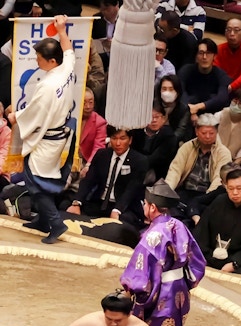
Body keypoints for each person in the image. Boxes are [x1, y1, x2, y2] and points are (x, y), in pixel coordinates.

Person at [121, 180, 206, 326]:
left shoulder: (153, 235)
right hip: (179, 290)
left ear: (153, 207)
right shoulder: (180, 225)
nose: (144, 207)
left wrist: (133, 290)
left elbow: (140, 271)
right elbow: (197, 262)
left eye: (145, 204)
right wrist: (184, 283)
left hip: (162, 292)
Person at [8, 15, 74, 244]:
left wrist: (13, 116)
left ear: (51, 61)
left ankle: (56, 223)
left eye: (39, 58)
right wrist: (62, 30)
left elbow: (32, 114)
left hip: (47, 140)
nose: (36, 61)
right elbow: (69, 50)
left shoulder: (47, 86)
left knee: (36, 183)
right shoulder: (65, 69)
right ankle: (44, 220)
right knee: (39, 180)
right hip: (58, 136)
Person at [68, 126, 148, 229]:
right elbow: (88, 180)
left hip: (124, 206)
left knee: (121, 225)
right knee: (70, 211)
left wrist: (117, 210)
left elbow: (132, 190)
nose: (118, 143)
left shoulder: (140, 160)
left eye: (122, 138)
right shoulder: (102, 154)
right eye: (114, 138)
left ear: (130, 140)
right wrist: (77, 202)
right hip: (100, 202)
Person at [165, 113, 231, 208]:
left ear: (216, 132)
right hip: (186, 190)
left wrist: (208, 197)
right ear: (196, 131)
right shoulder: (187, 147)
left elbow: (218, 179)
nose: (207, 136)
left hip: (207, 193)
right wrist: (167, 190)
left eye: (211, 133)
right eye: (204, 133)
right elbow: (175, 171)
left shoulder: (223, 152)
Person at [178, 38, 231, 120]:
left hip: (212, 115)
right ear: (196, 56)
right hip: (187, 112)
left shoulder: (221, 75)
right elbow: (180, 92)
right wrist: (190, 111)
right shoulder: (186, 70)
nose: (204, 57)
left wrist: (198, 107)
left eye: (208, 53)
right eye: (201, 53)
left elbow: (222, 97)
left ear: (215, 56)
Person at [131, 104, 178, 182]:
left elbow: (157, 158)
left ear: (163, 119)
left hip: (158, 172)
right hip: (136, 166)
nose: (154, 120)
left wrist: (138, 163)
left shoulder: (169, 136)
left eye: (157, 117)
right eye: (150, 117)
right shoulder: (137, 131)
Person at [215, 88, 241, 165]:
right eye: (235, 101)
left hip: (232, 161)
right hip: (214, 155)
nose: (236, 105)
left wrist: (232, 166)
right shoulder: (219, 116)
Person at [214, 18, 241, 91]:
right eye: (228, 29)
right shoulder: (218, 49)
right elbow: (215, 70)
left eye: (236, 30)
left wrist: (231, 87)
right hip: (222, 86)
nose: (232, 33)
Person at [79, 87, 107, 179]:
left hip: (86, 161)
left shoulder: (100, 122)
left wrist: (88, 165)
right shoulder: (69, 117)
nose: (88, 106)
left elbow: (98, 147)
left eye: (91, 102)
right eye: (84, 103)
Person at [155, 75, 191, 145]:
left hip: (173, 143)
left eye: (171, 89)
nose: (167, 92)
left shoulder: (183, 109)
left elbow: (180, 132)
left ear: (177, 91)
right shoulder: (153, 106)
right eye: (164, 89)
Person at [91, 0, 119, 71]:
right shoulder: (97, 19)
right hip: (103, 58)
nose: (104, 12)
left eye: (107, 9)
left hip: (120, 56)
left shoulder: (124, 20)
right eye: (102, 9)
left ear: (116, 6)